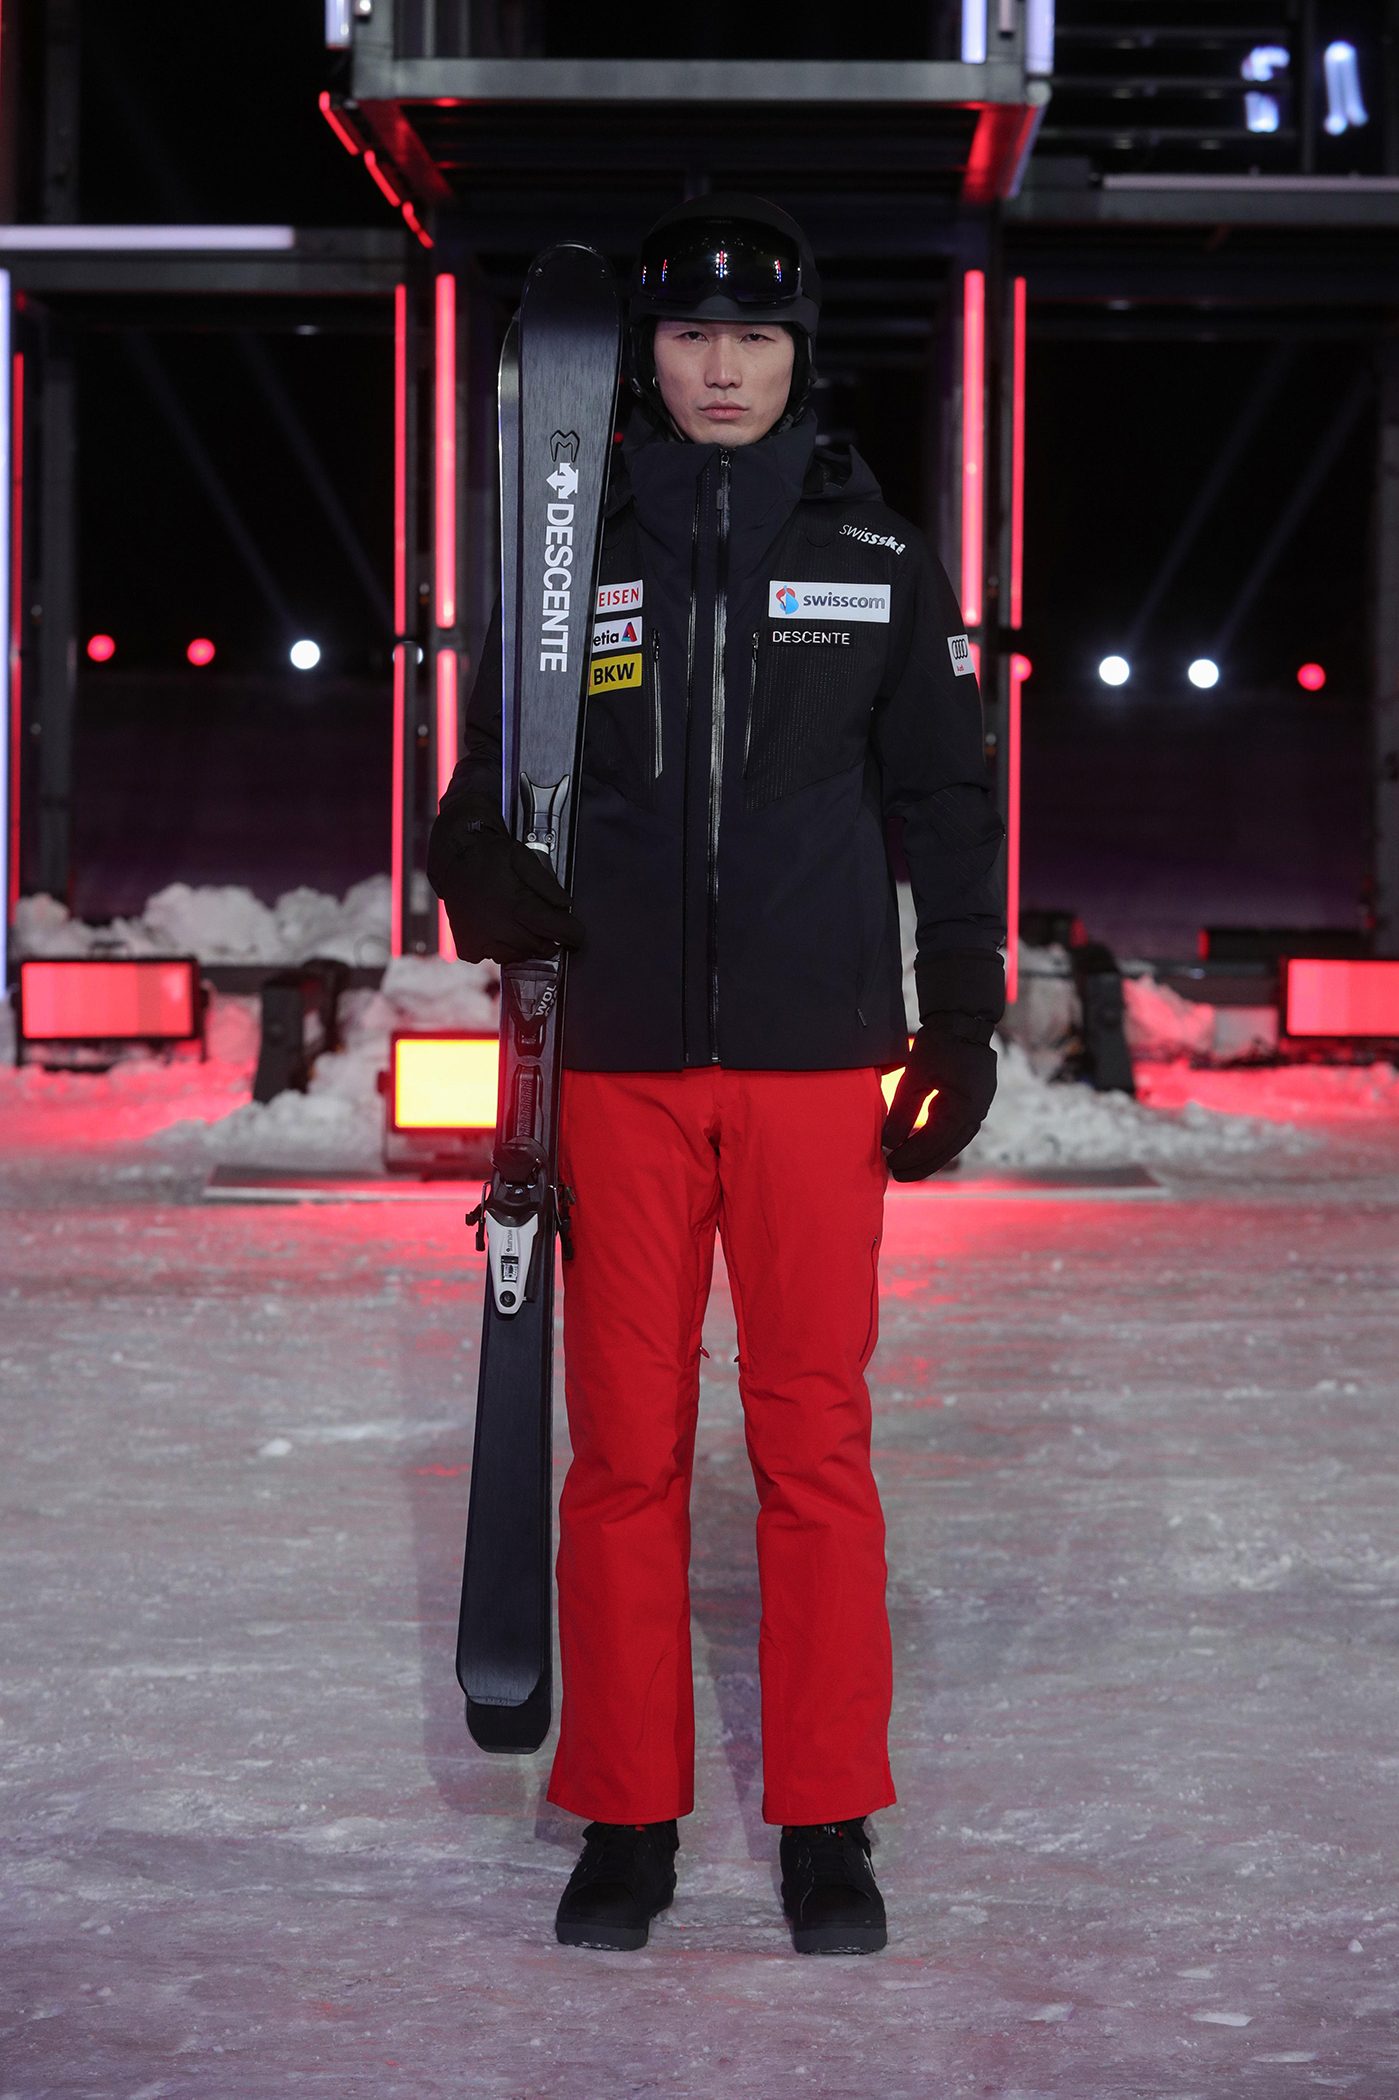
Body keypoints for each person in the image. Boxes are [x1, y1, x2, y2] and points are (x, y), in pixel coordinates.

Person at [429, 193, 1005, 1956]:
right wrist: (472, 864)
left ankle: (828, 1817)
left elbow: (947, 800)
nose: (725, 368)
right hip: (615, 1061)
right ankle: (626, 1815)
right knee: (624, 1448)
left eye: (756, 338)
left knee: (813, 1437)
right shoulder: (572, 554)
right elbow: (490, 777)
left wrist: (961, 1015)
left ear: (799, 357)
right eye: (692, 337)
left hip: (815, 1060)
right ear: (648, 361)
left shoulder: (880, 557)